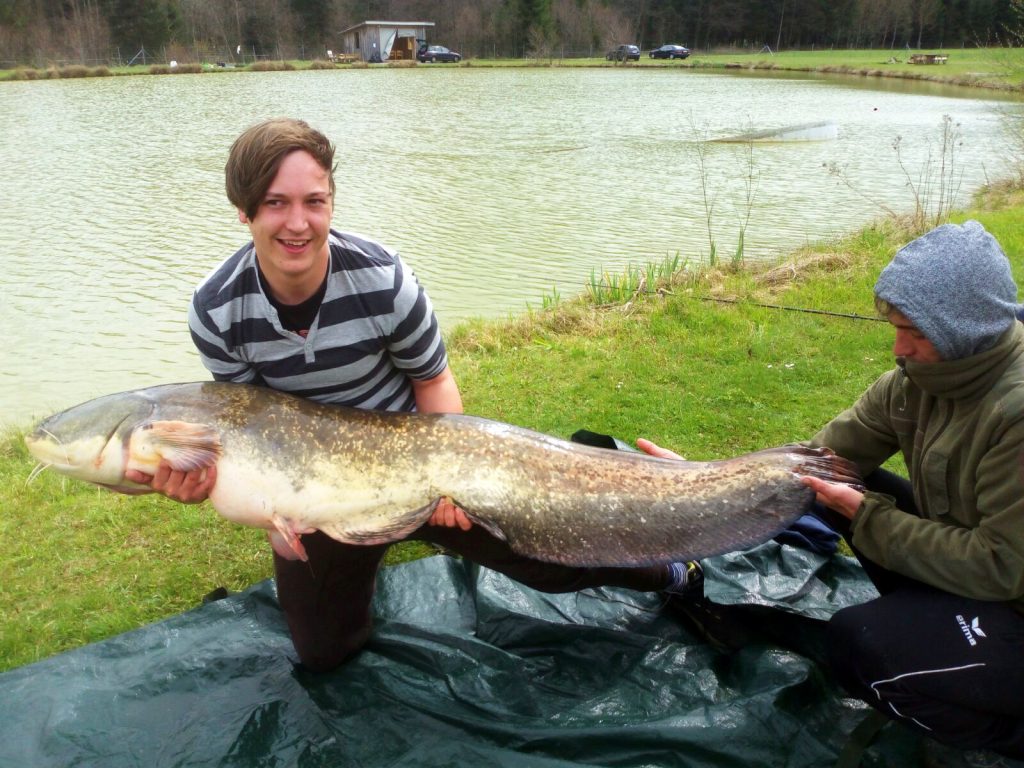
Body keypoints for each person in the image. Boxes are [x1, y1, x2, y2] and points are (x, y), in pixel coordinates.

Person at [127, 117, 697, 672]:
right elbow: (249, 425)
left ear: (331, 203)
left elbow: (433, 381)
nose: (297, 223)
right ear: (244, 210)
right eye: (276, 203)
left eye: (314, 201)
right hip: (320, 491)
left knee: (546, 547)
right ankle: (353, 575)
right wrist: (243, 493)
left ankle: (667, 571)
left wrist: (445, 478)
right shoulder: (216, 311)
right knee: (324, 652)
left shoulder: (383, 278)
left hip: (420, 459)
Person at [645, 220, 1024, 763]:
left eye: (914, 332)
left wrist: (868, 518)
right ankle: (936, 624)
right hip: (982, 557)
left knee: (860, 644)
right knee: (840, 476)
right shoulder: (914, 381)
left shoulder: (1017, 411)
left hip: (1011, 589)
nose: (898, 347)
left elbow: (1003, 566)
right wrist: (705, 479)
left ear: (961, 328)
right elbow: (812, 460)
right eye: (895, 326)